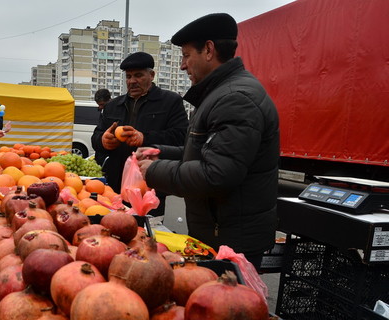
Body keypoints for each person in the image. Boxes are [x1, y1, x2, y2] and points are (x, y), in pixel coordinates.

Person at [137, 13, 280, 270]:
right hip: (220, 231)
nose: (182, 65)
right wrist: (163, 153)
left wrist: (154, 170)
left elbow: (217, 173)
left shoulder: (235, 98)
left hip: (232, 240)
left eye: (186, 55)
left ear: (209, 50)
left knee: (227, 308)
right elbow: (206, 153)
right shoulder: (219, 93)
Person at [91, 52, 188, 216]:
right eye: (128, 77)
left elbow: (181, 137)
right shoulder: (113, 106)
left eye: (138, 75)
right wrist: (103, 141)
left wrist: (145, 138)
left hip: (149, 187)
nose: (132, 81)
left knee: (147, 234)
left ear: (152, 75)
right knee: (114, 228)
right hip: (114, 185)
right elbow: (96, 137)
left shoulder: (170, 102)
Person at [93, 88, 111, 166]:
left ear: (109, 100)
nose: (100, 107)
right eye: (98, 104)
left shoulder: (117, 113)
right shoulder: (103, 112)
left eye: (102, 104)